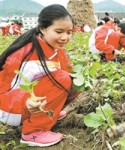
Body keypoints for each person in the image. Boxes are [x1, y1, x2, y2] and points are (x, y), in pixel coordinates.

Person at [0, 4, 78, 147]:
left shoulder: (55, 48)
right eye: (59, 31)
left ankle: (49, 113)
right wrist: (25, 102)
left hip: (31, 103)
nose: (65, 37)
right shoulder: (24, 56)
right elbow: (2, 93)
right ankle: (33, 132)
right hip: (9, 109)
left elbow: (68, 70)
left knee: (75, 80)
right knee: (61, 79)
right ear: (43, 28)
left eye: (69, 32)